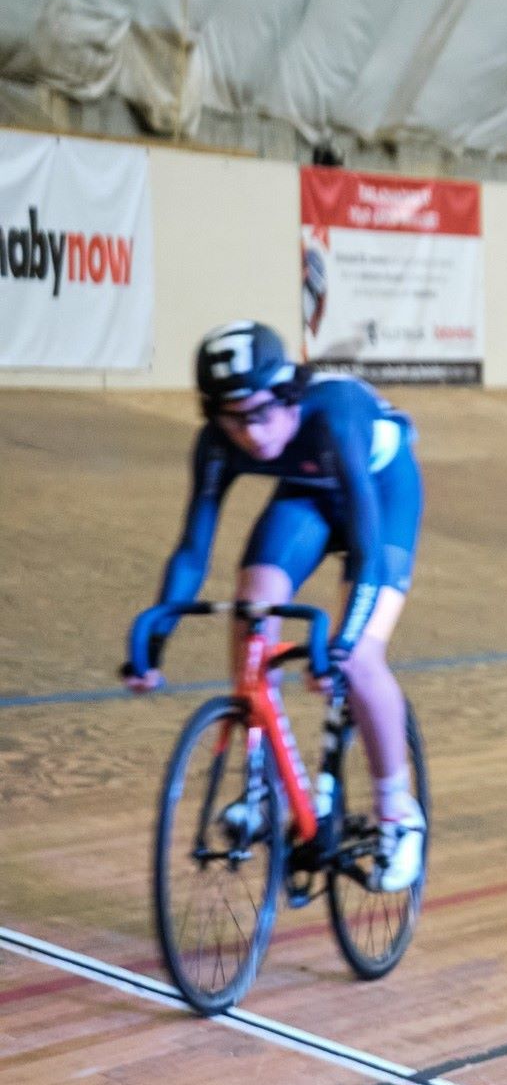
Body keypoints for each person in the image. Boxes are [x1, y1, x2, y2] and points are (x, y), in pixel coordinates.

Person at [125, 320, 425, 892]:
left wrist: (339, 644)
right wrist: (152, 645)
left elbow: (364, 549)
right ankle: (264, 789)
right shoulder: (219, 442)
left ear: (288, 396)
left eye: (260, 413)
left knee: (360, 657)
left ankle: (398, 812)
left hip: (382, 497)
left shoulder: (333, 418)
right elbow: (192, 551)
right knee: (251, 606)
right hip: (305, 496)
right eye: (230, 418)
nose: (249, 434)